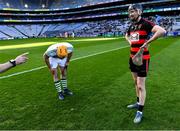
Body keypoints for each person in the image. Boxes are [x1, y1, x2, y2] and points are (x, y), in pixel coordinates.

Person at [125, 4, 166, 124]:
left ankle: (140, 111)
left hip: (143, 59)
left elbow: (162, 31)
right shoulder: (132, 26)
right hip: (132, 58)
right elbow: (126, 35)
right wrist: (130, 42)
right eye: (129, 12)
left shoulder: (146, 23)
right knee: (135, 83)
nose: (130, 14)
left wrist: (148, 41)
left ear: (139, 11)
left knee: (140, 85)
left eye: (132, 11)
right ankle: (138, 103)